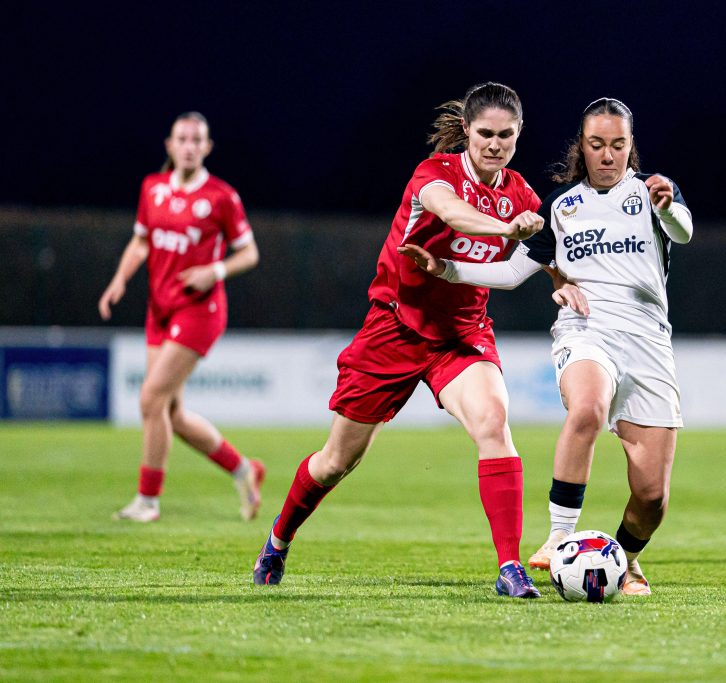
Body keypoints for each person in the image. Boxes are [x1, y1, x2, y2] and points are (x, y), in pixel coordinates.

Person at [252, 83, 549, 598]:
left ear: (519, 134)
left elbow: (547, 250)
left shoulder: (521, 193)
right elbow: (455, 214)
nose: (495, 144)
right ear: (467, 131)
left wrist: (562, 282)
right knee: (335, 462)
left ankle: (508, 567)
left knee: (493, 423)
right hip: (394, 327)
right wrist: (509, 228)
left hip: (461, 334)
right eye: (485, 134)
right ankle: (279, 538)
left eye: (506, 135)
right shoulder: (434, 175)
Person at [400, 97, 693, 595]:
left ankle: (629, 558)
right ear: (582, 146)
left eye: (618, 145)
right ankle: (559, 539)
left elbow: (682, 233)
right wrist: (447, 269)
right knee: (587, 408)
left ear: (630, 147)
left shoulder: (652, 194)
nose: (607, 155)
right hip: (587, 329)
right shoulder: (560, 206)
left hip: (648, 344)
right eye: (597, 144)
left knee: (652, 497)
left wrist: (666, 207)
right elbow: (513, 271)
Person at [99, 112, 264, 523]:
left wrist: (216, 270)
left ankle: (147, 501)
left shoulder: (221, 196)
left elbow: (249, 252)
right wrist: (119, 279)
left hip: (200, 310)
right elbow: (141, 241)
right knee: (169, 413)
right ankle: (244, 469)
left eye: (197, 140)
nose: (189, 146)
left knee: (150, 399)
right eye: (182, 139)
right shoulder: (152, 189)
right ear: (170, 146)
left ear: (206, 148)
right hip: (160, 309)